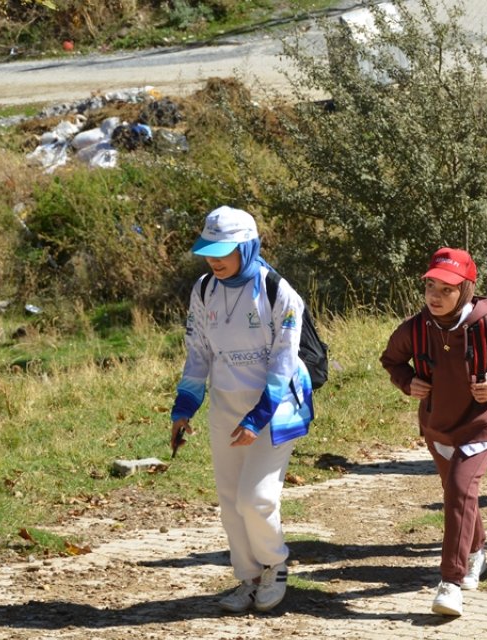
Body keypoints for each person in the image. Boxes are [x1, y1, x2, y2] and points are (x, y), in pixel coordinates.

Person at [170, 206, 313, 614]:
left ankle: (275, 565)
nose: (215, 259)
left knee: (257, 499)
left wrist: (257, 418)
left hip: (275, 407)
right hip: (225, 408)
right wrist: (184, 407)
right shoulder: (203, 290)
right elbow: (197, 354)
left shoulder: (277, 291)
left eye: (224, 250)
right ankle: (247, 577)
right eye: (209, 250)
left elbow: (284, 362)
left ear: (247, 247)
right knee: (231, 500)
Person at [380, 248, 487, 616]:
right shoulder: (415, 327)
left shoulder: (486, 323)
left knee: (459, 490)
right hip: (437, 426)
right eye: (431, 286)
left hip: (481, 423)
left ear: (466, 289)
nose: (435, 296)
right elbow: (391, 359)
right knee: (459, 494)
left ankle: (450, 582)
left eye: (447, 288)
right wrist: (407, 381)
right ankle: (476, 551)